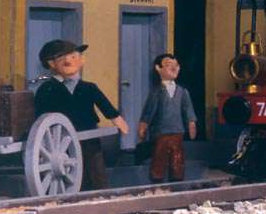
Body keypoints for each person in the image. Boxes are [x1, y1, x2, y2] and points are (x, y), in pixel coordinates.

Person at [33, 40, 129, 191]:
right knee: (68, 172)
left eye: (73, 56)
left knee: (94, 168)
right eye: (61, 58)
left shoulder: (89, 87)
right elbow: (41, 115)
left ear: (82, 60)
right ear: (51, 64)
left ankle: (100, 196)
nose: (68, 61)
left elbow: (105, 105)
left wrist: (117, 120)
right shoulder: (47, 89)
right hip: (61, 142)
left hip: (89, 134)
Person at [138, 54, 197, 183]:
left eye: (176, 65)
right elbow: (149, 110)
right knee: (159, 157)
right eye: (169, 65)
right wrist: (143, 125)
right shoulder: (156, 92)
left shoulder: (182, 92)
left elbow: (188, 110)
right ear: (158, 69)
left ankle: (177, 180)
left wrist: (191, 123)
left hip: (177, 131)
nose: (174, 68)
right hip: (161, 132)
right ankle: (157, 181)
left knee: (178, 158)